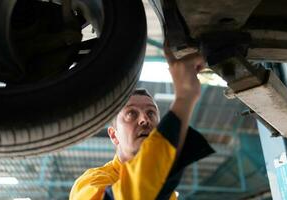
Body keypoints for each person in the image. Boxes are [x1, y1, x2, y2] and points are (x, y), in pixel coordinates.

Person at [69, 45, 214, 200]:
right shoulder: (92, 182)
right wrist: (185, 97)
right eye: (131, 113)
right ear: (114, 135)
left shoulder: (168, 193)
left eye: (151, 113)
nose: (145, 120)